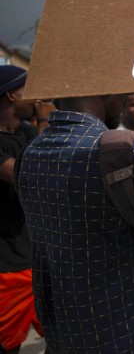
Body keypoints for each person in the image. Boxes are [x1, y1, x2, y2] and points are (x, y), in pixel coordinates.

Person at [14, 91, 134, 354]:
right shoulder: (123, 148)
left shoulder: (29, 154)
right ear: (103, 92)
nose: (124, 98)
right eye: (121, 91)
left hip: (66, 337)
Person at [0, 66, 54, 354]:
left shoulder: (27, 131)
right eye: (29, 89)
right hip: (6, 270)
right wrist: (45, 118)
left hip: (36, 260)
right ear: (11, 95)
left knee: (63, 339)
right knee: (9, 346)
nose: (36, 97)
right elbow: (29, 172)